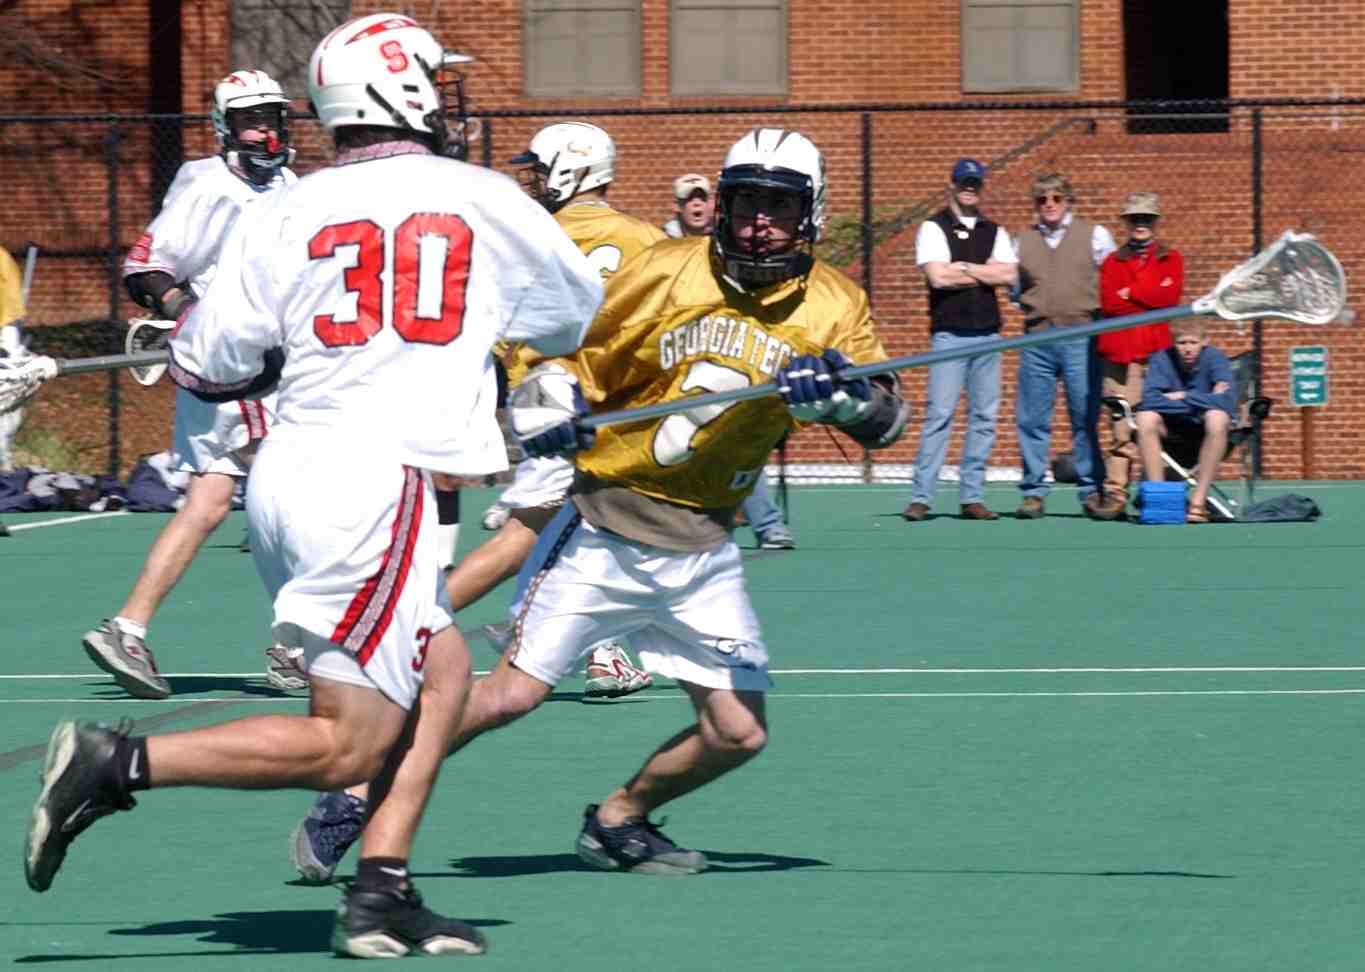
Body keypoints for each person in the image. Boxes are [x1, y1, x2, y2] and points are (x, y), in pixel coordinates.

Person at [24, 13, 604, 961]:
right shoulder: (482, 195)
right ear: (404, 91)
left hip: (291, 471)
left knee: (442, 677)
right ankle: (117, 761)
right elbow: (571, 315)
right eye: (432, 81)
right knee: (349, 744)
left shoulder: (286, 208)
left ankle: (382, 891)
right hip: (380, 484)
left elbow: (210, 362)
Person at [285, 126, 911, 880]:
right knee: (507, 697)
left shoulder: (836, 304)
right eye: (747, 203)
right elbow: (557, 348)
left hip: (704, 549)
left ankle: (618, 820)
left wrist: (841, 400)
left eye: (778, 207)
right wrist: (550, 402)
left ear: (810, 213)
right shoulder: (665, 270)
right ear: (723, 204)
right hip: (606, 527)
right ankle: (358, 786)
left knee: (737, 733)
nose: (758, 223)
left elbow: (886, 416)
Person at [80, 69, 298, 699]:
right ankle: (295, 646)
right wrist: (190, 312)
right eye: (251, 120)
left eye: (272, 118)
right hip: (238, 369)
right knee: (288, 497)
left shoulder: (287, 185)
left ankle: (126, 628)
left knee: (208, 503)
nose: (265, 131)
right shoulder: (209, 184)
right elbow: (145, 266)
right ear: (225, 127)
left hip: (269, 364)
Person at [662, 171, 794, 547]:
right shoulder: (662, 249)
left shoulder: (731, 245)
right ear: (678, 207)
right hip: (675, 357)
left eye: (702, 198)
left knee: (737, 434)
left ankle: (767, 523)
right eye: (689, 200)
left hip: (726, 355)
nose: (697, 205)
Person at [903, 158, 1017, 522]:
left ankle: (972, 497)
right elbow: (938, 278)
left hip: (989, 334)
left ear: (981, 187)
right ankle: (922, 497)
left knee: (984, 417)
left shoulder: (994, 230)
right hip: (949, 335)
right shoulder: (933, 227)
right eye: (964, 182)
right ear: (952, 185)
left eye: (975, 183)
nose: (969, 188)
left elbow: (1009, 275)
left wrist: (963, 267)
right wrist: (985, 272)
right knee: (940, 414)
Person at [1012, 173, 1117, 519]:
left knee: (1084, 416)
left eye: (1056, 198)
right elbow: (1013, 288)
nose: (1049, 205)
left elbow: (1112, 279)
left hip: (1081, 336)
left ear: (1068, 201)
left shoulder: (1095, 235)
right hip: (1037, 337)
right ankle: (1033, 492)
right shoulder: (1022, 241)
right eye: (1042, 199)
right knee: (1032, 418)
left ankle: (1091, 490)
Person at [1093, 191, 1182, 519]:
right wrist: (1148, 296)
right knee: (1121, 427)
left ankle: (1154, 491)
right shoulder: (1112, 262)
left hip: (1157, 357)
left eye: (1146, 219)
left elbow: (1170, 298)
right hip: (1120, 356)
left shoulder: (1171, 258)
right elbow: (1111, 303)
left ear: (1155, 222)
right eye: (1134, 219)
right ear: (1126, 223)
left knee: (1157, 425)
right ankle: (1116, 493)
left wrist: (1132, 292)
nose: (1140, 224)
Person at [1135, 318, 1234, 523]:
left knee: (1218, 417)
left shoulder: (1216, 358)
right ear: (1174, 342)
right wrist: (1204, 400)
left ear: (1204, 341)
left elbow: (1227, 402)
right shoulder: (1161, 359)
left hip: (1205, 432)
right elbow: (1150, 400)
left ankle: (1198, 503)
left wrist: (1184, 396)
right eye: (1182, 343)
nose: (1187, 349)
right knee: (1145, 417)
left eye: (1193, 342)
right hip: (1171, 430)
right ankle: (1160, 501)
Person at [0, 244, 29, 473]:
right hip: (8, 328)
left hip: (5, 332)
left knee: (7, 397)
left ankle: (3, 461)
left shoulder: (2, 260)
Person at [661, 172, 714, 238]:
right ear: (676, 206)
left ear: (711, 203)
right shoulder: (663, 240)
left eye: (702, 197)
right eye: (689, 198)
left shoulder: (721, 239)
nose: (697, 203)